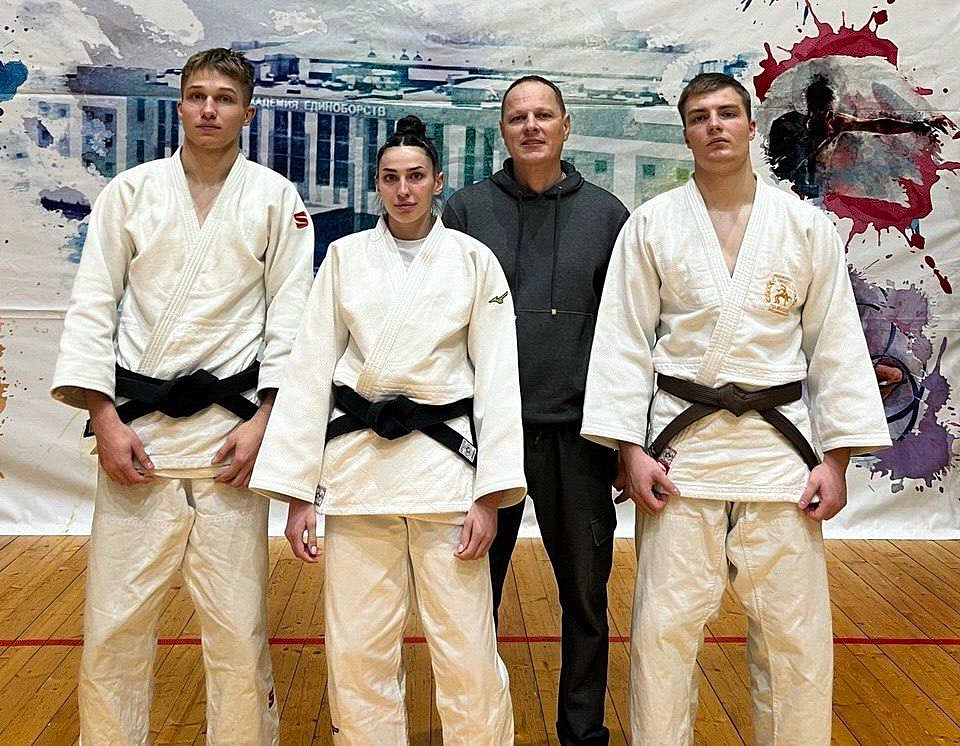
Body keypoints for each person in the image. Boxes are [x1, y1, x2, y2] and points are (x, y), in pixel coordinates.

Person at [581, 72, 891, 745]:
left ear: (751, 126)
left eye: (727, 113)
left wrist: (836, 461)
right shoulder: (652, 225)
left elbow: (836, 346)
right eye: (700, 117)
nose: (715, 126)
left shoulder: (804, 227)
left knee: (794, 642)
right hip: (680, 458)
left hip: (780, 460)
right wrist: (629, 451)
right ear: (686, 134)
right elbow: (624, 342)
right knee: (663, 637)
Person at [50, 48, 313, 745]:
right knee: (114, 627)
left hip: (230, 445)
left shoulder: (275, 199)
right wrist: (103, 418)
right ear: (180, 106)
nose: (208, 109)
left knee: (237, 633)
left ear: (247, 113)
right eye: (197, 95)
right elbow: (92, 307)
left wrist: (265, 422)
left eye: (224, 98)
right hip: (137, 440)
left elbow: (292, 321)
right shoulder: (130, 193)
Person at [249, 115, 525, 745]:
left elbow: (498, 379)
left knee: (467, 649)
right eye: (391, 178)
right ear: (376, 185)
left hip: (445, 471)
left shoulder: (473, 260)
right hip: (357, 470)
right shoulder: (345, 257)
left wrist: (490, 495)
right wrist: (298, 492)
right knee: (357, 649)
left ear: (438, 181)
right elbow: (311, 369)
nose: (404, 190)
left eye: (416, 177)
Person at [442, 75, 629, 746]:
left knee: (585, 600)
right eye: (517, 116)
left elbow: (627, 337)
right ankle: (476, 731)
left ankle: (582, 735)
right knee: (470, 601)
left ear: (565, 125)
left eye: (543, 115)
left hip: (577, 441)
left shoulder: (607, 217)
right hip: (487, 441)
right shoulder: (465, 211)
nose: (531, 126)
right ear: (503, 130)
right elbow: (445, 330)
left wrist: (624, 441)